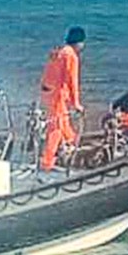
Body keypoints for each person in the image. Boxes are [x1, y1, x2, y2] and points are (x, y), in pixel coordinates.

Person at [40, 26, 85, 171]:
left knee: (63, 123)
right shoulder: (71, 56)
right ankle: (47, 162)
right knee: (57, 127)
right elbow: (72, 80)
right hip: (57, 95)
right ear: (79, 42)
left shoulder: (58, 52)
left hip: (47, 91)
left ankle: (71, 145)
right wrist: (76, 103)